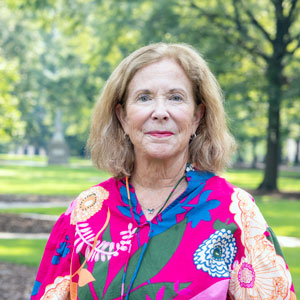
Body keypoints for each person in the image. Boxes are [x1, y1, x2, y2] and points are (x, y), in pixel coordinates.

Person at [31, 43, 296, 300]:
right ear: (123, 117)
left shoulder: (234, 213)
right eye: (144, 98)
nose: (160, 112)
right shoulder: (85, 213)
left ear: (197, 117)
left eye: (175, 97)